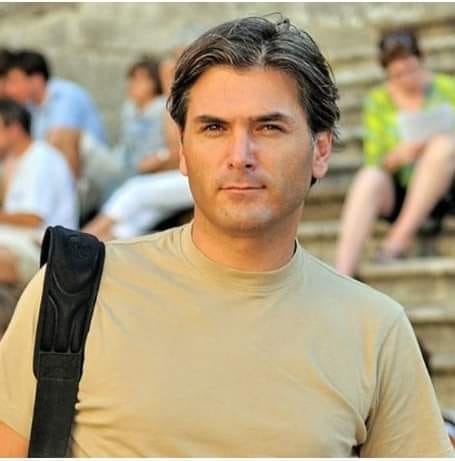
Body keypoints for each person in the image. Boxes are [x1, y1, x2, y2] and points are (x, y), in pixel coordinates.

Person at [0, 16, 453, 457]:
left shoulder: (376, 330)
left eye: (269, 127)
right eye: (214, 128)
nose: (240, 155)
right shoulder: (76, 290)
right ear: (183, 150)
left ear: (321, 150)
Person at [335, 29, 455, 277]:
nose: (407, 79)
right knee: (369, 177)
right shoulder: (378, 100)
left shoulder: (448, 88)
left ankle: (398, 240)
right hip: (400, 186)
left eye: (411, 70)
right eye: (398, 75)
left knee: (443, 146)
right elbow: (375, 160)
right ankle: (343, 273)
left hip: (446, 186)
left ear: (421, 61)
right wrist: (401, 155)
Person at [83, 50, 193, 240]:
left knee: (134, 191)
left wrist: (161, 158)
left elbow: (177, 150)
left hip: (190, 177)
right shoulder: (136, 108)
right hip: (161, 175)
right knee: (138, 217)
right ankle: (86, 244)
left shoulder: (172, 104)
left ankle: (77, 240)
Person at [0, 98, 78, 288]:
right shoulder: (13, 160)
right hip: (16, 241)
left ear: (15, 129)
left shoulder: (42, 159)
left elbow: (33, 218)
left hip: (44, 250)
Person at [4, 49, 107, 178]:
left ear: (36, 80)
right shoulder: (30, 106)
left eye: (14, 82)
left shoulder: (65, 95)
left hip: (93, 173)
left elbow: (59, 142)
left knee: (61, 136)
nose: (9, 89)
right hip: (58, 169)